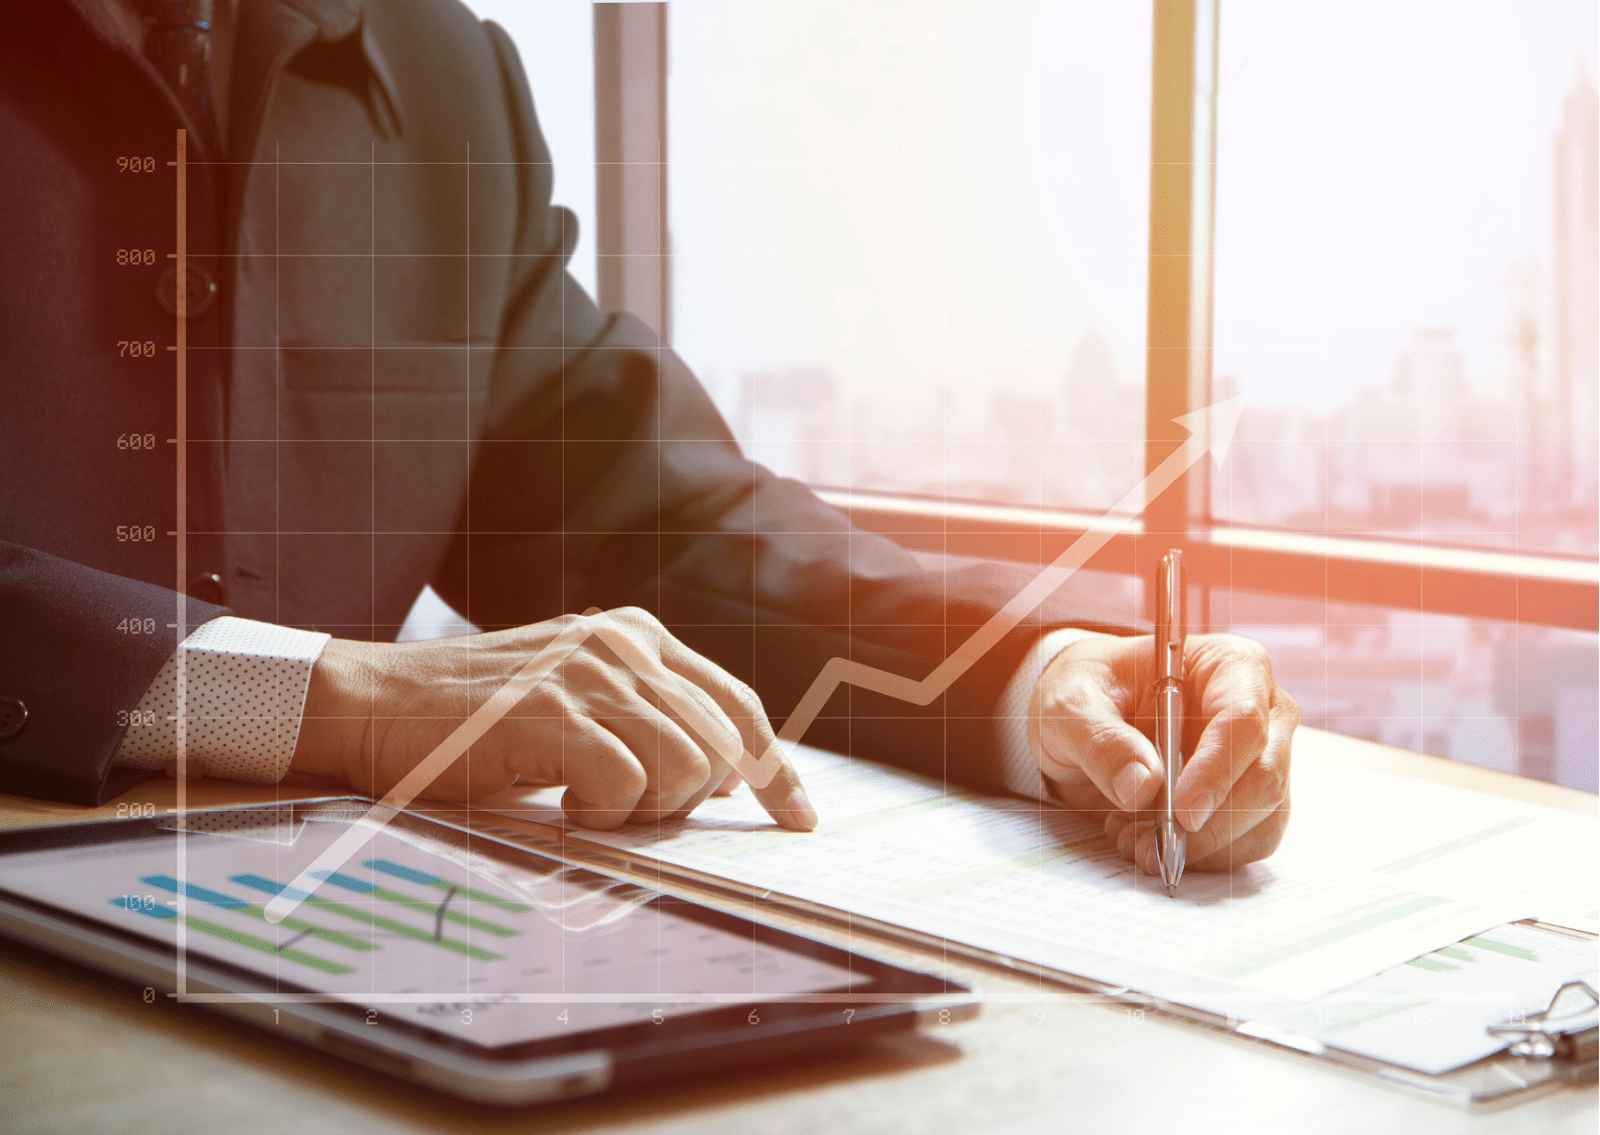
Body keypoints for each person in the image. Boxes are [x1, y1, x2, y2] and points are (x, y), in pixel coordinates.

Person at [0, 0, 1296, 879]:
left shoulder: (441, 69)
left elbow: (641, 518)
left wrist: (1025, 668)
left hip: (318, 950)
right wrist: (329, 697)